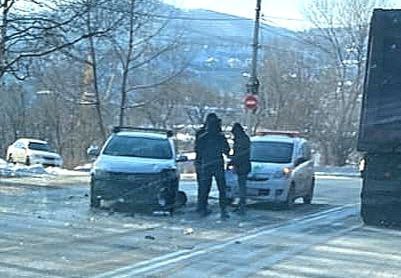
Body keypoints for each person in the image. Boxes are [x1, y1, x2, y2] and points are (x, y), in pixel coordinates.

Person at [197, 116, 230, 219]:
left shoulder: (203, 137)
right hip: (217, 164)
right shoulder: (221, 137)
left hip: (206, 164)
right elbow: (226, 150)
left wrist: (200, 162)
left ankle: (202, 209)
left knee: (204, 188)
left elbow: (198, 151)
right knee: (222, 189)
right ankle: (223, 210)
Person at [194, 113, 218, 213]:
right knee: (205, 185)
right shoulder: (213, 133)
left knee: (202, 185)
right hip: (207, 162)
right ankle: (202, 205)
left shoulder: (200, 132)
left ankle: (201, 204)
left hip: (200, 161)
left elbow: (196, 148)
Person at [231, 123, 251, 216]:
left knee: (242, 187)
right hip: (242, 165)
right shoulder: (243, 138)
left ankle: (242, 205)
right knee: (241, 186)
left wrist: (234, 159)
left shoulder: (242, 140)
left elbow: (242, 153)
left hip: (242, 165)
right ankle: (241, 205)